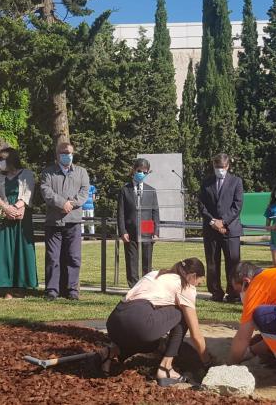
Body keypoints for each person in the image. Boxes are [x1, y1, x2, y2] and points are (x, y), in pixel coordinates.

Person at [98, 258, 210, 386]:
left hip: (114, 322)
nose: (196, 286)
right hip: (139, 322)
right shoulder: (185, 286)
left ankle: (111, 351)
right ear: (193, 276)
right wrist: (207, 362)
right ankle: (166, 368)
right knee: (183, 314)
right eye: (198, 283)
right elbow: (196, 334)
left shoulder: (155, 274)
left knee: (152, 343)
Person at [39, 142, 90, 301]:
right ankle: (52, 290)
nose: (67, 155)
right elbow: (46, 192)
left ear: (73, 154)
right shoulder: (48, 173)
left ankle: (72, 290)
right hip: (54, 222)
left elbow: (84, 193)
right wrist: (62, 203)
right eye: (63, 152)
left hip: (73, 222)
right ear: (57, 155)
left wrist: (71, 204)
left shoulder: (81, 172)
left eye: (69, 153)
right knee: (53, 257)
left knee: (73, 257)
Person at [0, 147, 38, 299]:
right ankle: (5, 286)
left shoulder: (26, 174)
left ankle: (22, 285)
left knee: (21, 249)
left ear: (12, 159)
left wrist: (17, 207)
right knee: (4, 251)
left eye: (3, 159)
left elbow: (28, 192)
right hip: (4, 216)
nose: (0, 162)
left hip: (22, 215)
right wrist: (7, 209)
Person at [199, 153, 244, 303]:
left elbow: (237, 206)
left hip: (230, 229)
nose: (220, 170)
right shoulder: (206, 182)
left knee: (233, 263)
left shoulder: (236, 182)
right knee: (212, 262)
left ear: (228, 166)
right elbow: (201, 205)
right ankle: (216, 292)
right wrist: (213, 222)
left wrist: (223, 222)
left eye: (223, 167)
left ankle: (233, 293)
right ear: (213, 166)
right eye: (218, 167)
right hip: (211, 230)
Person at [117, 158, 160, 287]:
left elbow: (155, 212)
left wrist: (156, 231)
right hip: (130, 227)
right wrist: (122, 231)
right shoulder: (125, 190)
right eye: (139, 171)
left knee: (147, 258)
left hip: (147, 226)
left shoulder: (151, 190)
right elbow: (120, 213)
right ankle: (133, 285)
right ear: (134, 170)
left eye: (145, 172)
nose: (141, 173)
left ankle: (146, 284)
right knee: (131, 259)